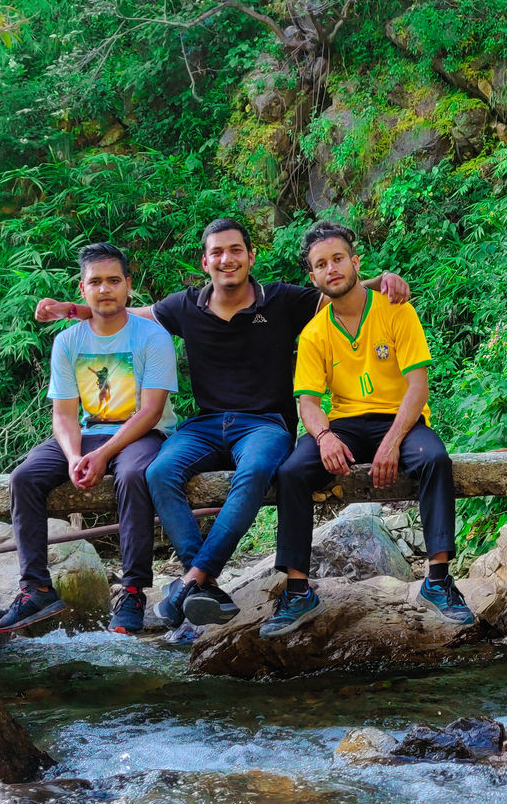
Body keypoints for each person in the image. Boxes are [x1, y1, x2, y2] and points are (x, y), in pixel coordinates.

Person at [37, 217, 409, 630]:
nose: (226, 259)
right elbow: (126, 311)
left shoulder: (282, 299)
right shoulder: (185, 306)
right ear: (204, 262)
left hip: (265, 424)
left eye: (235, 251)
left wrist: (382, 279)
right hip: (207, 423)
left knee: (252, 473)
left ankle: (193, 579)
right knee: (159, 470)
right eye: (217, 252)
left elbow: (341, 291)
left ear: (251, 256)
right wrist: (72, 310)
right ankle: (207, 585)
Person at [259, 221, 474, 639]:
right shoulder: (314, 333)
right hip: (343, 426)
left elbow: (418, 386)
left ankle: (439, 581)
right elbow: (307, 402)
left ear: (356, 262)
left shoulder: (395, 309)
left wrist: (393, 441)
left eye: (338, 258)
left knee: (435, 458)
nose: (332, 268)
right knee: (291, 472)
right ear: (314, 277)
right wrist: (323, 438)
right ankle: (299, 591)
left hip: (400, 419)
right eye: (321, 264)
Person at [0, 242, 178, 635]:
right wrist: (75, 455)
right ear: (82, 289)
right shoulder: (68, 341)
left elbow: (151, 412)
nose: (105, 289)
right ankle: (37, 588)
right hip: (88, 434)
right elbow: (63, 414)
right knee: (24, 478)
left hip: (143, 433)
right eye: (96, 281)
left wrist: (105, 454)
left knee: (131, 476)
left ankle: (132, 591)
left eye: (114, 280)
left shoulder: (152, 336)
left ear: (129, 285)